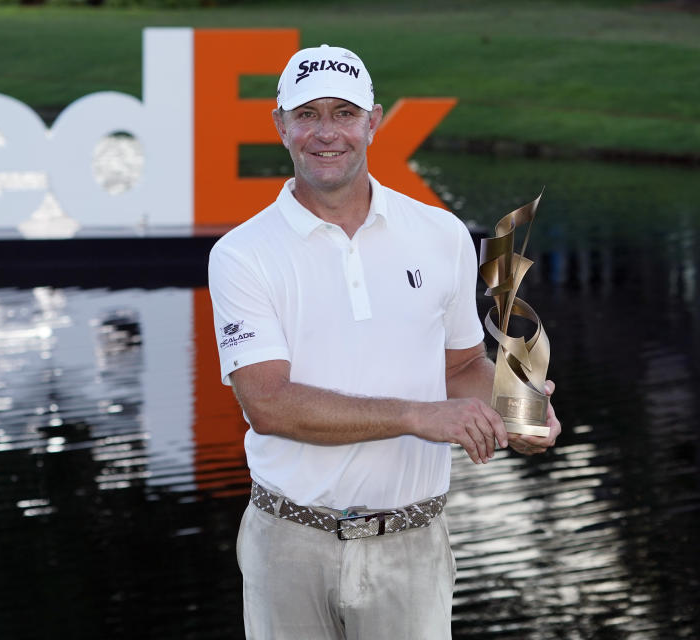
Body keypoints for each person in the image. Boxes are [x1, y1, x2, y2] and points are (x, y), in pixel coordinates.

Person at [207, 44, 561, 639]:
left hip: (411, 543)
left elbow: (462, 365)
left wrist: (517, 412)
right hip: (288, 543)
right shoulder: (242, 254)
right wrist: (420, 417)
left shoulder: (439, 233)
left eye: (343, 114)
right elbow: (267, 405)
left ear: (373, 121)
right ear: (280, 126)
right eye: (308, 114)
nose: (327, 133)